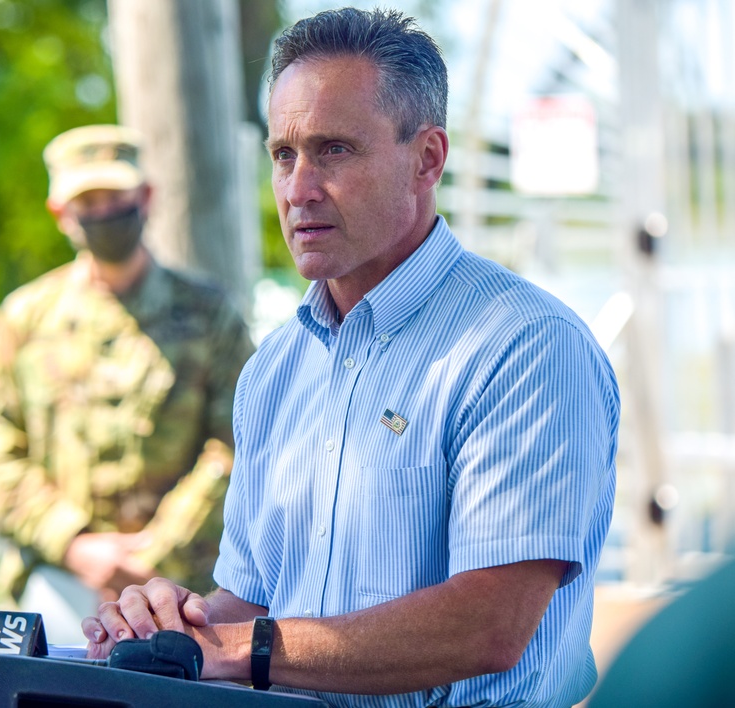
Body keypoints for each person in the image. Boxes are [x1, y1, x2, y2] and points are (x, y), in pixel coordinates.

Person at [83, 8, 619, 708]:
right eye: (283, 154)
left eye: (333, 149)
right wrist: (156, 633)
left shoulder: (525, 348)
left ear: (427, 158)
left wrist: (239, 650)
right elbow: (249, 603)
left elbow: (490, 624)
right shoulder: (274, 371)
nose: (298, 188)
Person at [0, 124, 255, 641]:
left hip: (184, 591)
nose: (103, 213)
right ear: (60, 213)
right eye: (87, 201)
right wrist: (78, 547)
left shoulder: (211, 317)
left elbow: (237, 445)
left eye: (114, 197)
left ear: (146, 197)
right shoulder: (23, 320)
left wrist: (155, 550)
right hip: (59, 582)